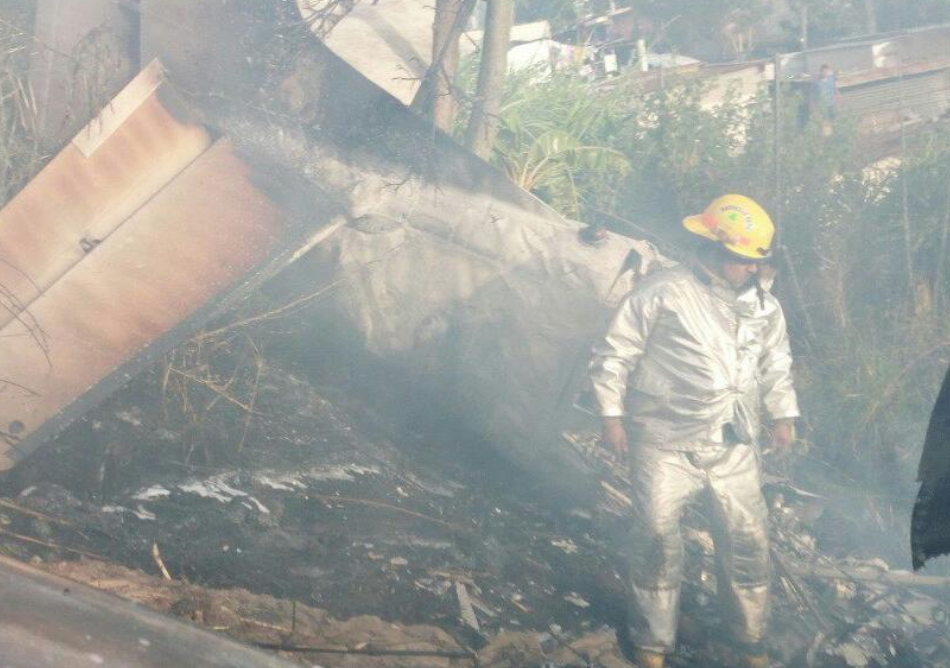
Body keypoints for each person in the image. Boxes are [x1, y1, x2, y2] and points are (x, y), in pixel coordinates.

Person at [589, 194, 799, 668]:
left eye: (754, 262)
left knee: (747, 540)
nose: (750, 270)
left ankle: (750, 642)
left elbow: (776, 365)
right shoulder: (663, 291)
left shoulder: (766, 309)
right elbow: (614, 353)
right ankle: (651, 645)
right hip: (664, 440)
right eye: (742, 260)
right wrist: (611, 416)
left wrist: (783, 415)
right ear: (713, 249)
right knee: (657, 539)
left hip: (733, 444)